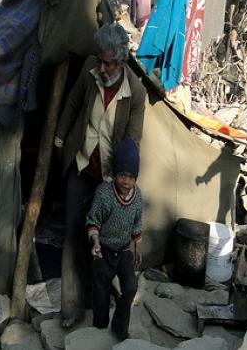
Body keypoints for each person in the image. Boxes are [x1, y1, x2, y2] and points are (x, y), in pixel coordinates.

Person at [54, 22, 146, 328]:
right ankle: (70, 308)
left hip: (109, 178)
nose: (102, 66)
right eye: (101, 60)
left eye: (108, 62)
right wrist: (60, 138)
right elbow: (73, 103)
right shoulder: (91, 70)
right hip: (82, 165)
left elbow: (132, 141)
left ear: (121, 62)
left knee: (105, 242)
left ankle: (98, 300)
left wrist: (119, 185)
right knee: (72, 234)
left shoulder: (135, 92)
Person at [86, 136, 143, 341]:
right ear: (115, 174)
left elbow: (137, 223)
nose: (126, 181)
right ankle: (99, 328)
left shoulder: (138, 197)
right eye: (122, 175)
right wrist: (95, 242)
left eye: (130, 177)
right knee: (100, 291)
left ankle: (120, 328)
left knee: (130, 287)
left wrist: (137, 247)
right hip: (104, 250)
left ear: (136, 177)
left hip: (125, 250)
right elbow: (93, 221)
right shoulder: (104, 194)